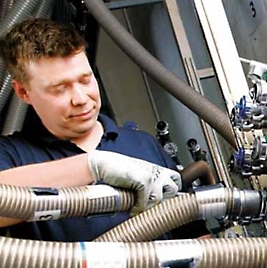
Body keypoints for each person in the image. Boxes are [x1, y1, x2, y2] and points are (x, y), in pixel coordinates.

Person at [0, 18, 185, 242]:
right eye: (59, 89)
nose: (80, 99)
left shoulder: (143, 144)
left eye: (85, 80)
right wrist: (95, 166)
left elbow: (193, 231)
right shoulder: (12, 155)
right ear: (23, 92)